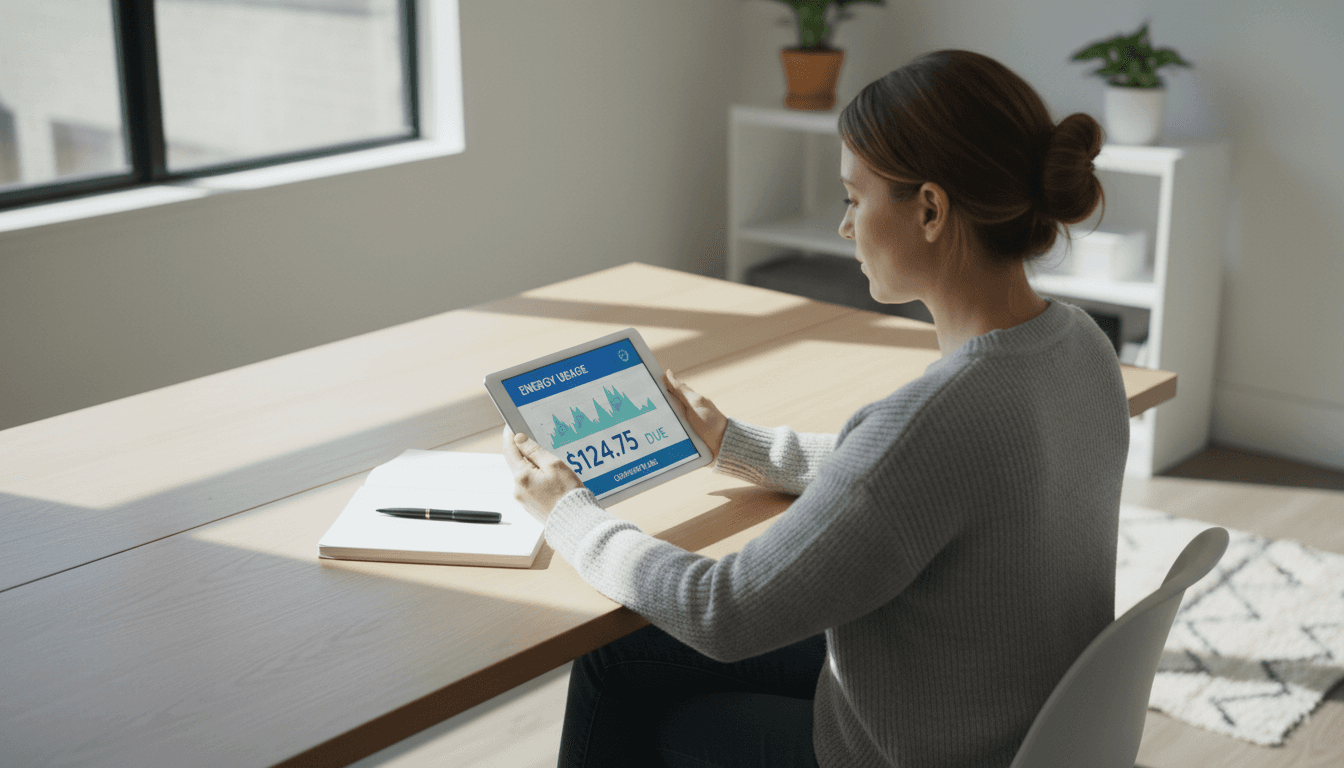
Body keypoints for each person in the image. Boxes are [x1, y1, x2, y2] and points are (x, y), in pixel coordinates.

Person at [502, 49, 1129, 768]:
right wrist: (737, 442)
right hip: (1008, 714)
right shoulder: (1081, 345)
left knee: (616, 668)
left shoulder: (933, 420)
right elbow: (919, 479)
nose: (844, 227)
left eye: (852, 199)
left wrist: (571, 515)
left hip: (912, 748)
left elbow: (722, 610)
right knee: (638, 656)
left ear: (929, 209)